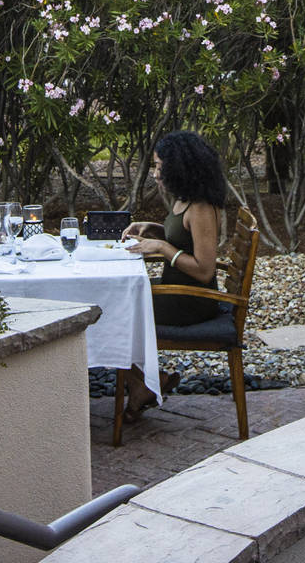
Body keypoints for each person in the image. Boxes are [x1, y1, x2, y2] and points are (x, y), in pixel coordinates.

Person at [119, 129, 226, 420]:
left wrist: (162, 247)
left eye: (159, 167)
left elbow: (204, 271)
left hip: (191, 300)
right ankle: (143, 382)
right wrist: (153, 229)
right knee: (117, 301)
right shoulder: (185, 199)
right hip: (174, 289)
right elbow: (183, 238)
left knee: (112, 312)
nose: (154, 173)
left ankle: (139, 384)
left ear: (179, 168)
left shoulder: (201, 206)